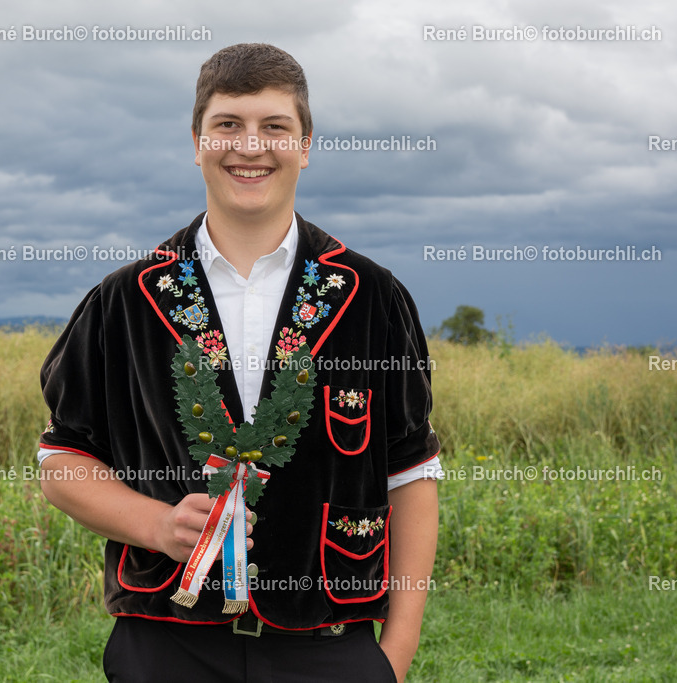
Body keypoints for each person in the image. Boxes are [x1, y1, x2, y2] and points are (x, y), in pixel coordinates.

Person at [38, 42, 442, 682]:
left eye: (274, 127)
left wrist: (395, 652)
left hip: (329, 642)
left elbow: (412, 476)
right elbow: (64, 462)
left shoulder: (372, 298)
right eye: (227, 124)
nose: (250, 146)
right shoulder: (124, 300)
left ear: (305, 146)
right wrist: (160, 524)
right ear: (196, 143)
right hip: (167, 643)